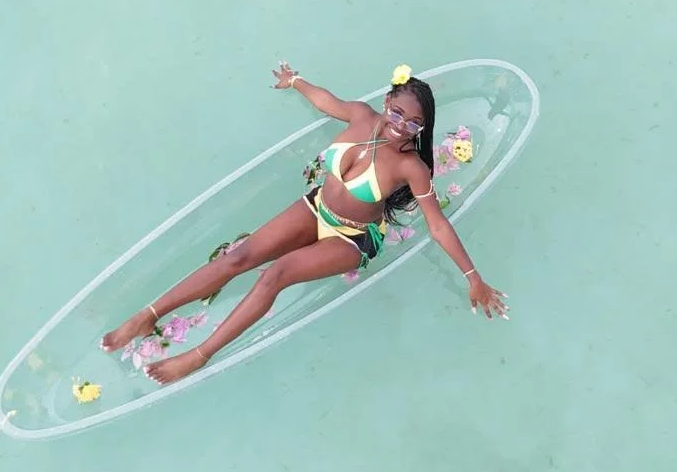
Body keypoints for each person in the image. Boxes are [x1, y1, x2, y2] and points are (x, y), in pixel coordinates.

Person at [99, 62, 509, 385]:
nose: (401, 125)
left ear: (422, 128)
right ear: (387, 101)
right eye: (398, 112)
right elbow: (324, 100)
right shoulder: (361, 117)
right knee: (238, 256)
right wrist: (296, 81)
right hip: (316, 208)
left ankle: (198, 354)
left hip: (351, 238)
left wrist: (473, 277)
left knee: (275, 274)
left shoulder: (410, 166)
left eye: (413, 124)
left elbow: (436, 224)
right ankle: (148, 313)